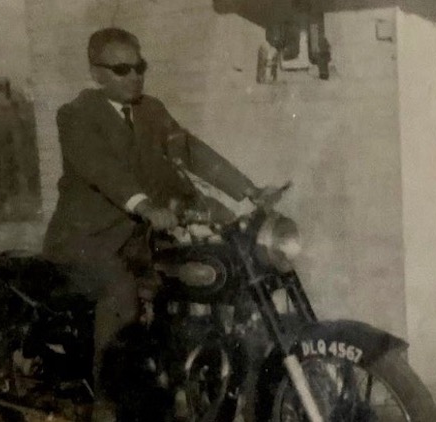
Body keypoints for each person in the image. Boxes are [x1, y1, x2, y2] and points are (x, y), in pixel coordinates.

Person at [42, 27, 260, 420]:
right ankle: (109, 405)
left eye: (139, 66)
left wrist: (247, 191)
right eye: (122, 69)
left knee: (195, 283)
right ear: (96, 73)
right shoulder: (75, 116)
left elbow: (191, 152)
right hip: (84, 244)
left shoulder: (152, 111)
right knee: (121, 290)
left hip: (138, 242)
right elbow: (102, 170)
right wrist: (145, 206)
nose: (135, 76)